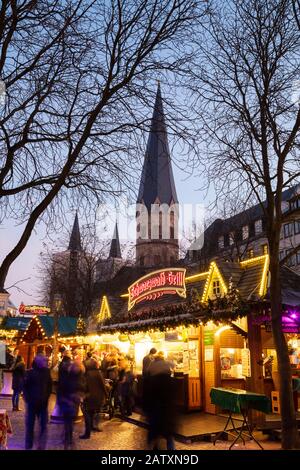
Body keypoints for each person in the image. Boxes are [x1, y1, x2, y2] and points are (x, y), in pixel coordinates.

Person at [146, 351, 177, 450]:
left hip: (155, 413)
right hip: (168, 413)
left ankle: (155, 447)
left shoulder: (151, 381)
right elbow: (173, 398)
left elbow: (147, 397)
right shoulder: (170, 381)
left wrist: (147, 410)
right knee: (169, 435)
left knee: (155, 434)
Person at [23, 354, 52, 450]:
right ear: (37, 362)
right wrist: (27, 399)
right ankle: (29, 444)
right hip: (32, 403)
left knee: (43, 426)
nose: (45, 363)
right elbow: (25, 386)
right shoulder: (30, 372)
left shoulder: (47, 372)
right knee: (30, 425)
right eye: (43, 361)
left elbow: (49, 386)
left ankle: (41, 445)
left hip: (43, 404)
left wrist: (46, 397)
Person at [57, 351, 85, 449]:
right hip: (69, 402)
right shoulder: (77, 378)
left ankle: (67, 437)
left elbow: (61, 387)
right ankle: (68, 438)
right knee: (69, 421)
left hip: (70, 402)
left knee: (69, 421)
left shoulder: (73, 377)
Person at [80, 357, 107, 439]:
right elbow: (103, 385)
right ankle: (92, 427)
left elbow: (85, 387)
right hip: (98, 397)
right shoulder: (98, 373)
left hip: (89, 397)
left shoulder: (87, 374)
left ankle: (87, 433)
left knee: (87, 414)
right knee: (92, 413)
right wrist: (106, 395)